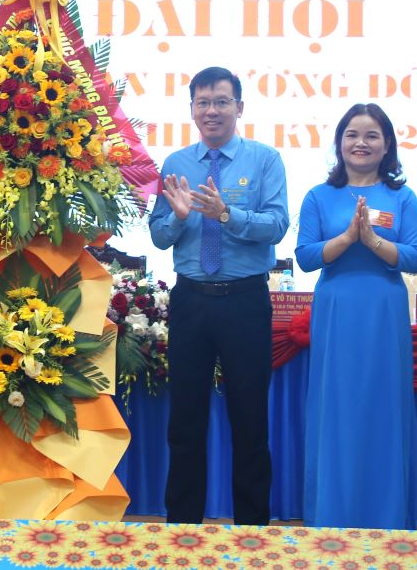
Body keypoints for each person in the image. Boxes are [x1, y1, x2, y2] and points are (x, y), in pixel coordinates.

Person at [149, 66, 288, 525]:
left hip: (245, 301)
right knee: (185, 422)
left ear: (239, 108)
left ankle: (253, 531)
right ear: (192, 109)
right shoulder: (175, 164)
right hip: (191, 300)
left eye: (221, 102)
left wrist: (229, 215)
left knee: (249, 421)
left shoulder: (265, 160)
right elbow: (158, 236)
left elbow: (277, 226)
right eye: (203, 102)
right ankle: (181, 528)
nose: (212, 111)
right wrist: (180, 218)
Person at [294, 103, 417, 529]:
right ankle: (331, 514)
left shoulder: (402, 196)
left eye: (371, 136)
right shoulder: (320, 195)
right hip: (336, 309)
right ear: (339, 142)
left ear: (387, 144)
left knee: (382, 406)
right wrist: (349, 236)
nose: (361, 143)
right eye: (352, 134)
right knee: (336, 408)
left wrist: (372, 242)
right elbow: (307, 257)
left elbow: (416, 255)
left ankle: (386, 515)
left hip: (384, 311)